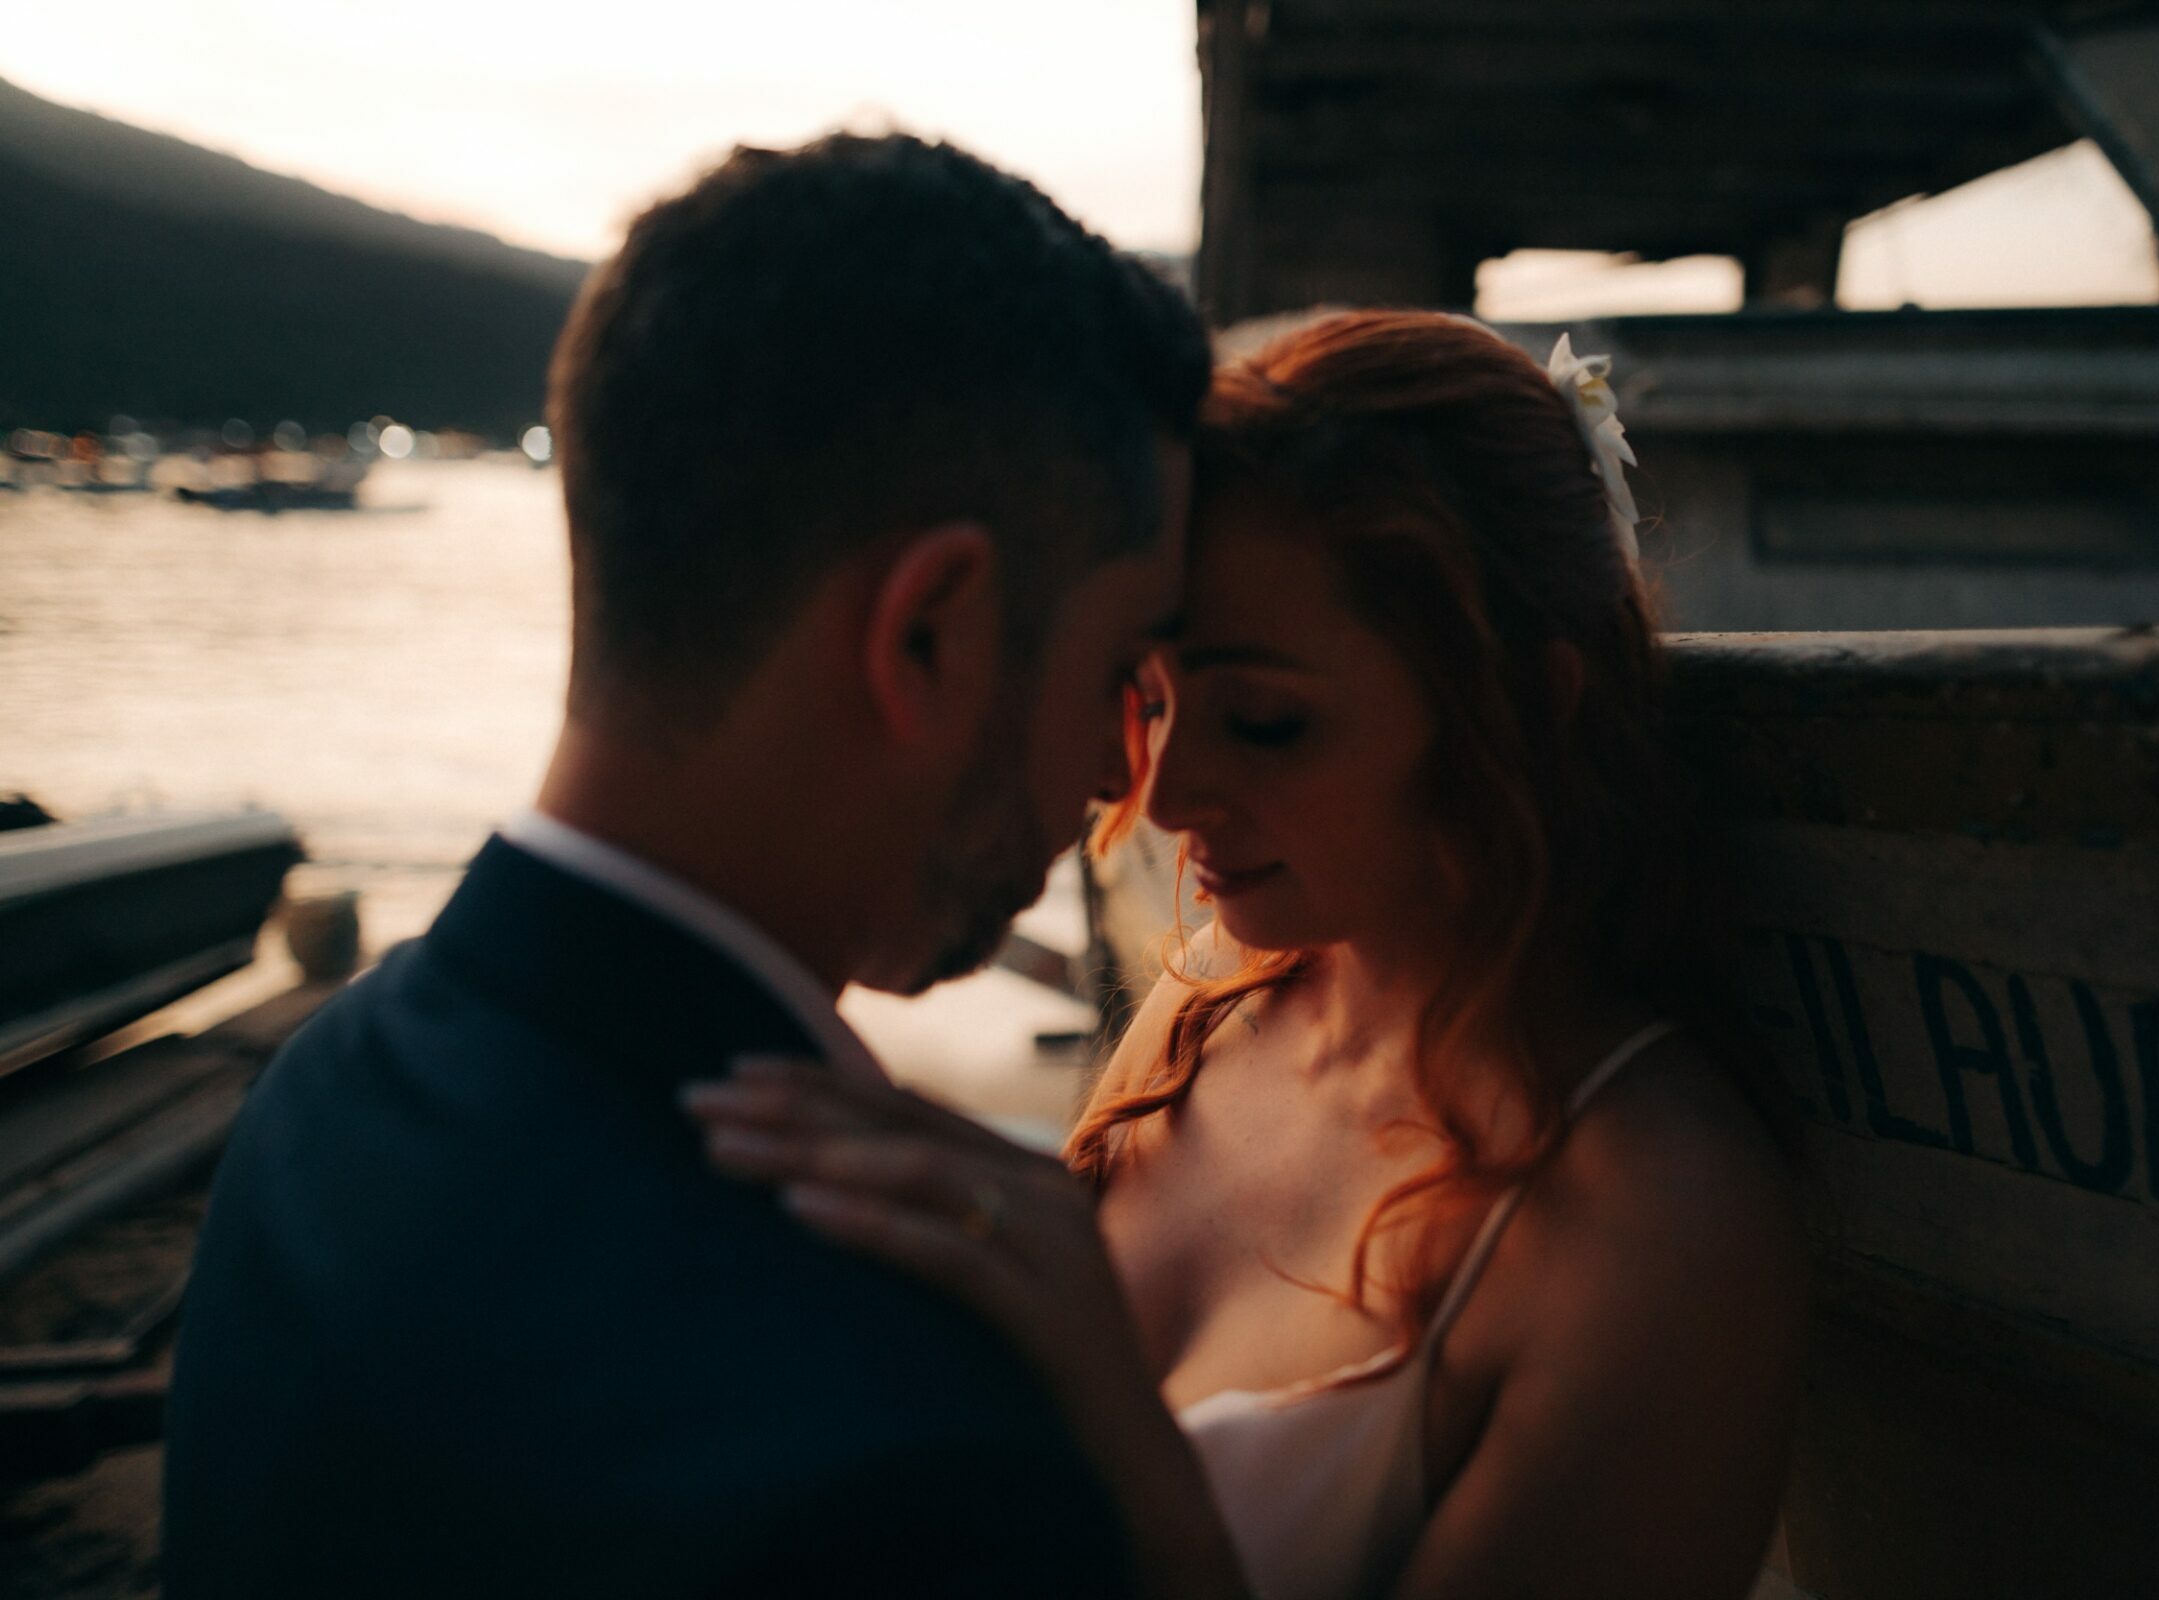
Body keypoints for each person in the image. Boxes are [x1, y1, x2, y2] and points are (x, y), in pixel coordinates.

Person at [163, 134, 1209, 1597]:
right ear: (931, 635)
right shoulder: (917, 1448)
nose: (1120, 775)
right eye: (1115, 665)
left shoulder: (315, 1099)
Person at [687, 311, 1808, 1599]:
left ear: (1523, 706)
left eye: (1265, 722)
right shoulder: (1218, 998)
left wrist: (1120, 1448)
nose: (1162, 797)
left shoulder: (1656, 1229)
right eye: (1150, 698)